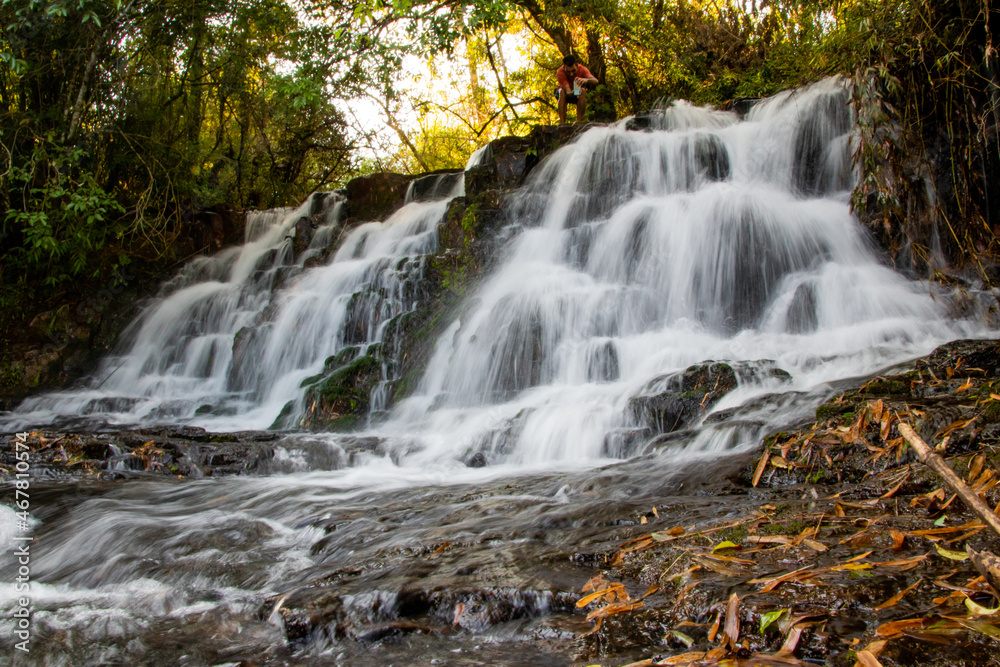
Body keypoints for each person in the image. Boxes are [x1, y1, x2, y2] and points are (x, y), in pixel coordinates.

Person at [555, 55, 598, 124]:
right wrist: (572, 92)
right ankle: (562, 123)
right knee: (562, 92)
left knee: (583, 91)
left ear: (576, 66)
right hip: (565, 92)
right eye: (568, 72)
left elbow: (595, 81)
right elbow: (567, 90)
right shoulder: (560, 72)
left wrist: (586, 80)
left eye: (573, 71)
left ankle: (579, 122)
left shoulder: (582, 69)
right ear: (564, 67)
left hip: (577, 90)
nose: (571, 74)